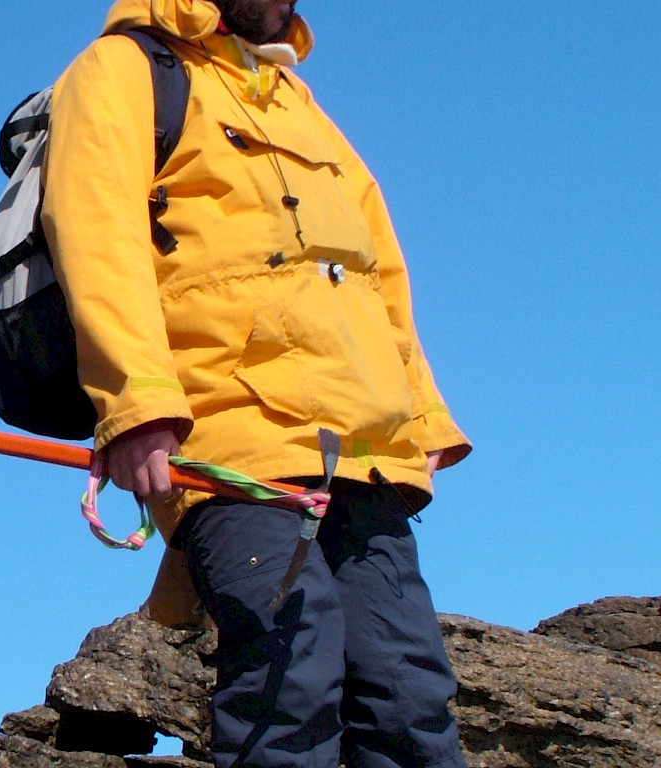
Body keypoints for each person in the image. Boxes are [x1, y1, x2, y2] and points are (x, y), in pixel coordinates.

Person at [42, 1, 473, 766]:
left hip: (363, 445)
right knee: (289, 673)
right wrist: (137, 404)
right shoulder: (122, 69)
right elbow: (95, 234)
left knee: (408, 694)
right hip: (229, 437)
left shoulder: (300, 104)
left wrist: (425, 419)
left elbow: (378, 273)